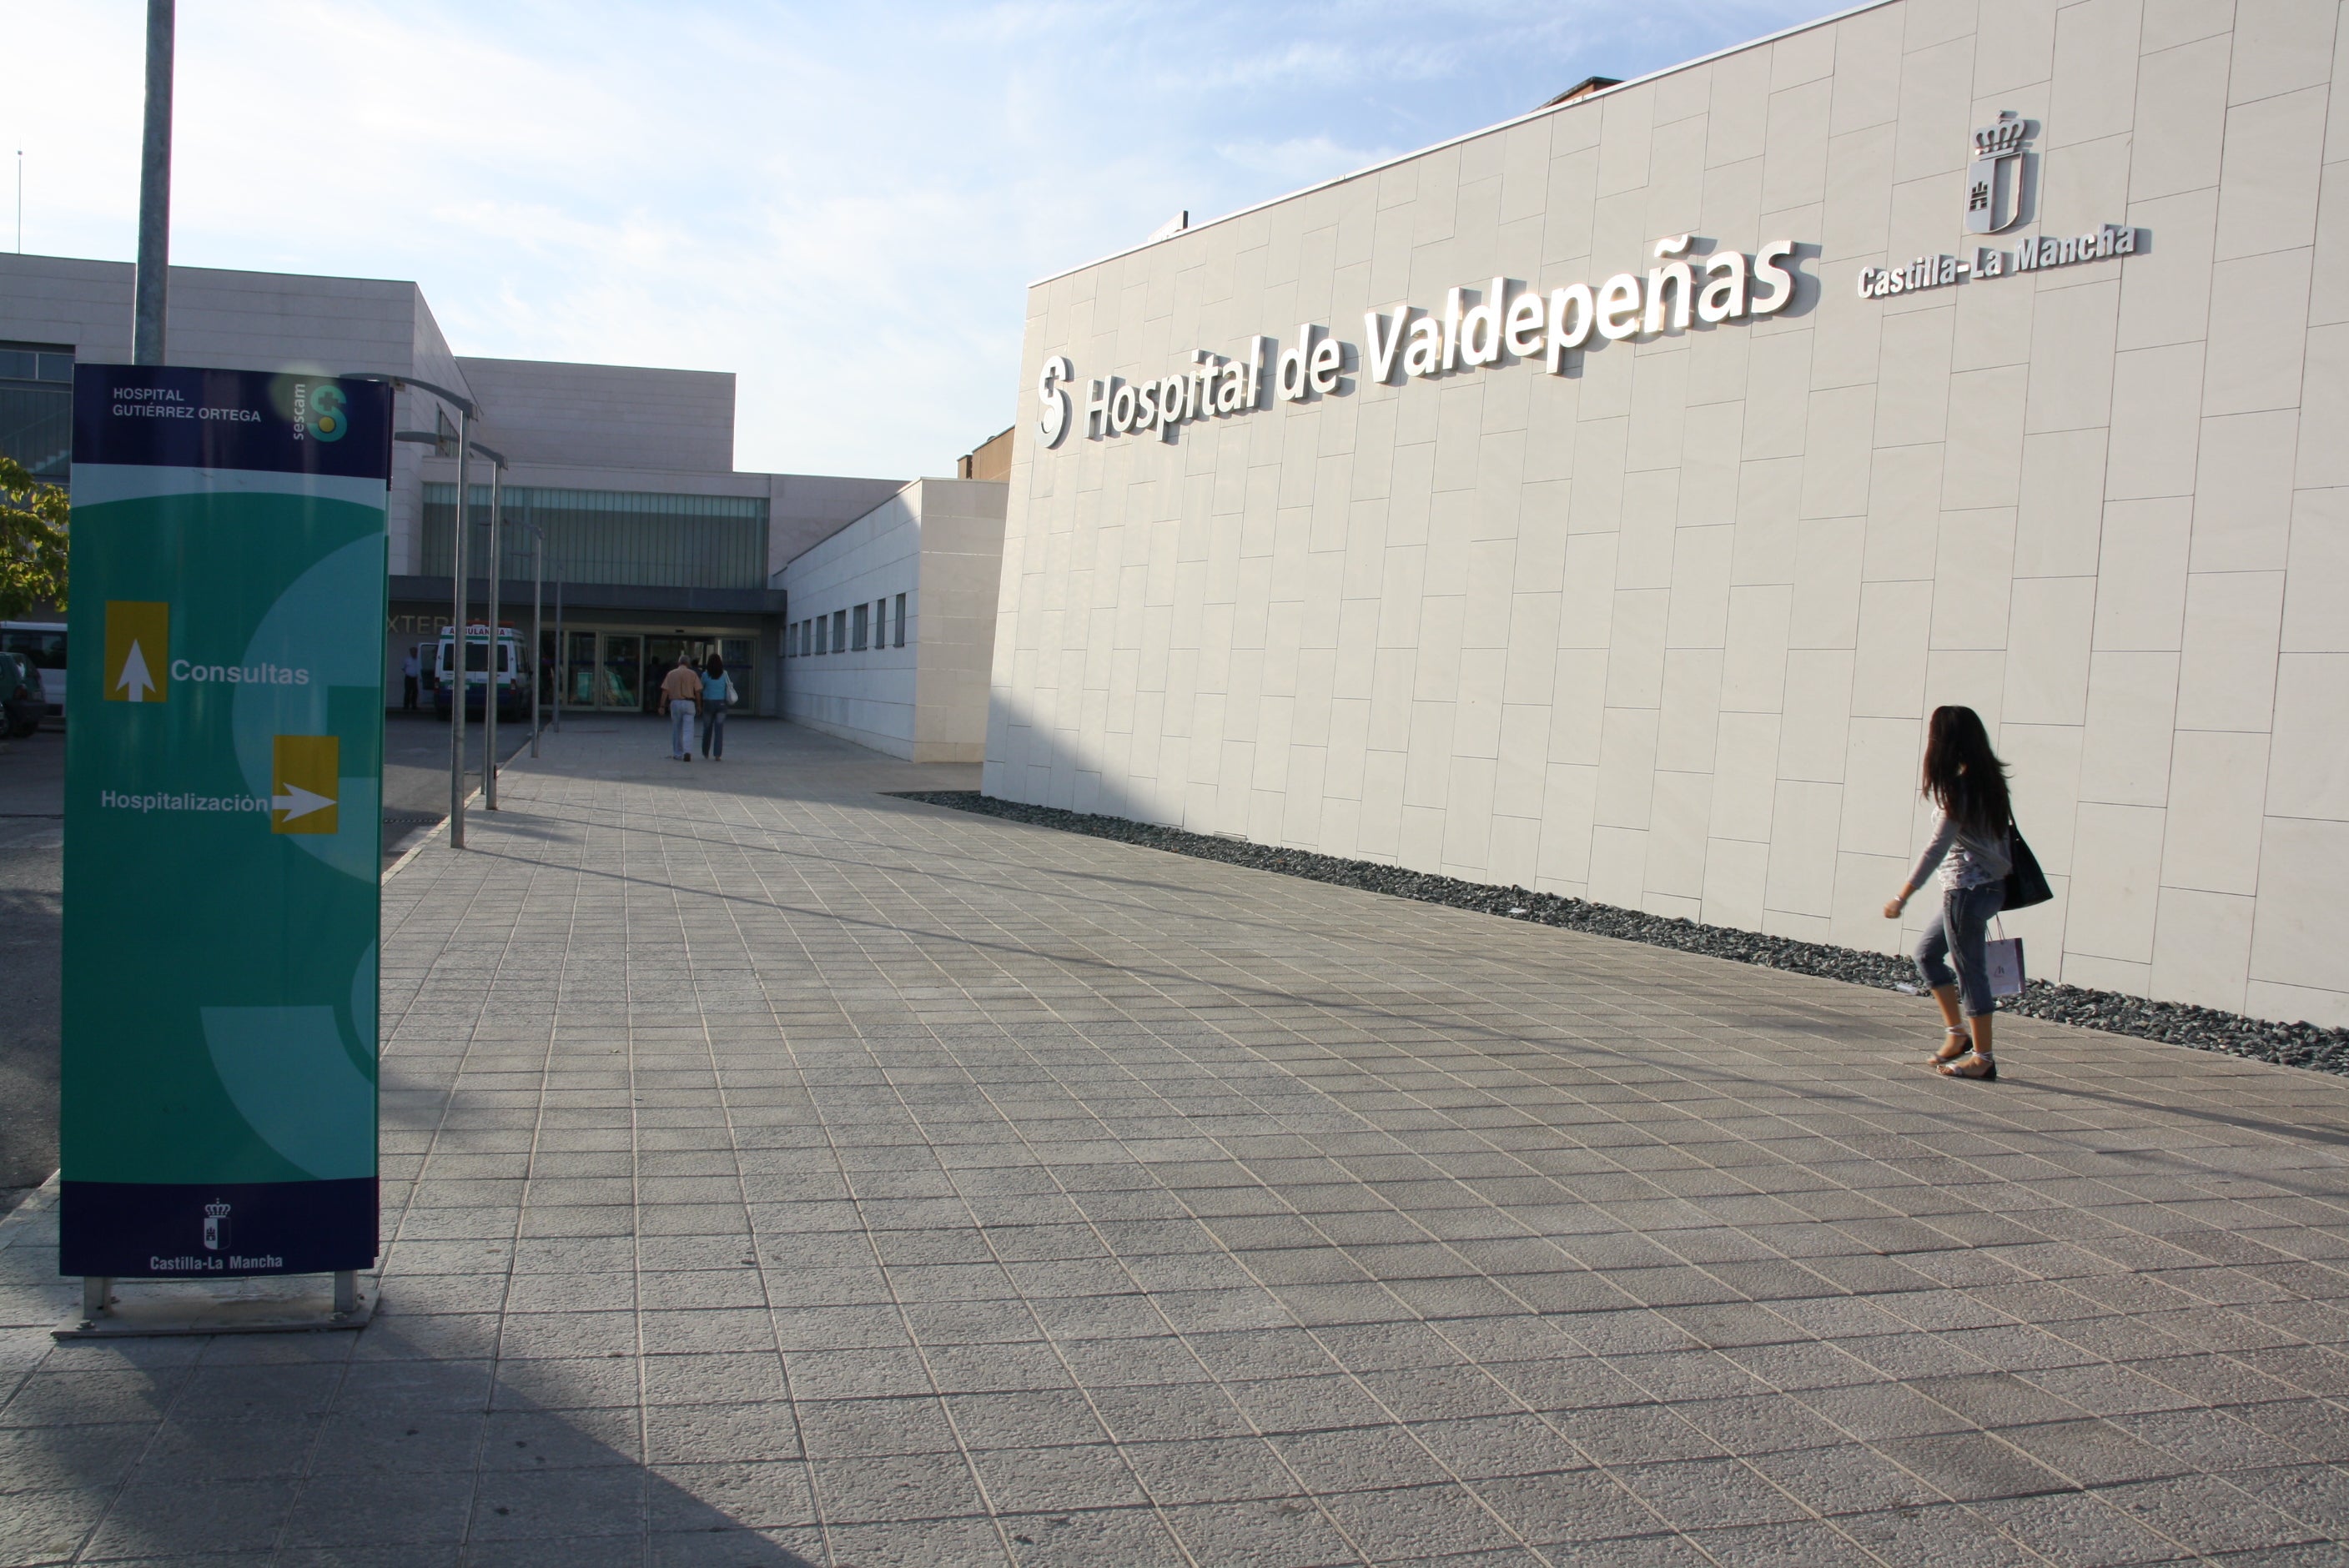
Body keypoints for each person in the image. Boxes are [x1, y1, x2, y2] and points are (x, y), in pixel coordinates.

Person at [1884, 705, 2013, 1081]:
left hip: (1967, 892)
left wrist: (1902, 895)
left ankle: (1983, 1057)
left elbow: (1936, 848)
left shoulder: (1959, 790)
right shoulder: (1989, 781)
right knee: (1927, 955)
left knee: (1971, 973)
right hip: (1989, 889)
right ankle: (1957, 1036)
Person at [658, 652, 701, 761]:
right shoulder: (693, 674)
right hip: (689, 703)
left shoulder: (671, 674)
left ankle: (678, 753)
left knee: (677, 729)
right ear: (688, 664)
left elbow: (665, 691)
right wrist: (699, 705)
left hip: (675, 703)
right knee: (688, 729)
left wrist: (662, 706)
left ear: (679, 663)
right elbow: (697, 692)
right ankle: (687, 751)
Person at [699, 653, 732, 761]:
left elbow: (700, 687)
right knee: (719, 730)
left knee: (707, 729)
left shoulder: (705, 675)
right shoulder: (725, 674)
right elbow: (729, 686)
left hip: (708, 703)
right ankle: (717, 755)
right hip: (721, 704)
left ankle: (705, 752)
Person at [401, 646, 420, 711]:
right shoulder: (407, 660)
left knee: (415, 692)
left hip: (416, 678)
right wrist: (409, 672)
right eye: (412, 652)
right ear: (410, 653)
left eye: (415, 652)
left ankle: (414, 706)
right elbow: (403, 668)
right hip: (408, 678)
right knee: (407, 692)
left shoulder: (419, 660)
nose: (414, 653)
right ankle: (406, 706)